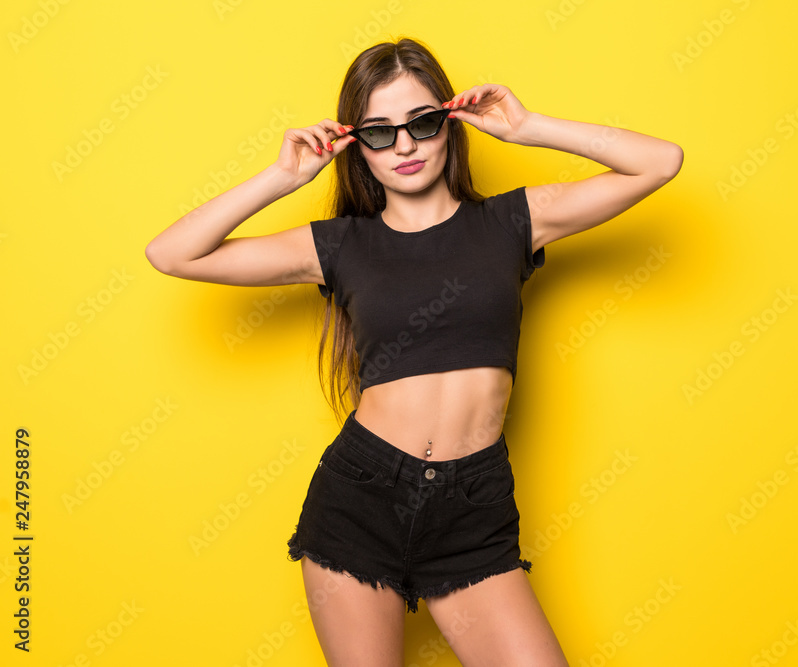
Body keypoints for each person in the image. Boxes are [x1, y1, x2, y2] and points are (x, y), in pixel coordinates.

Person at [145, 36, 682, 667]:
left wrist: (529, 126)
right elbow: (173, 253)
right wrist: (283, 176)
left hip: (473, 509)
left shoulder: (513, 221)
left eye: (423, 123)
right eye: (378, 132)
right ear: (355, 144)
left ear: (450, 124)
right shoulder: (338, 246)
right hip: (361, 499)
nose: (404, 146)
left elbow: (660, 162)